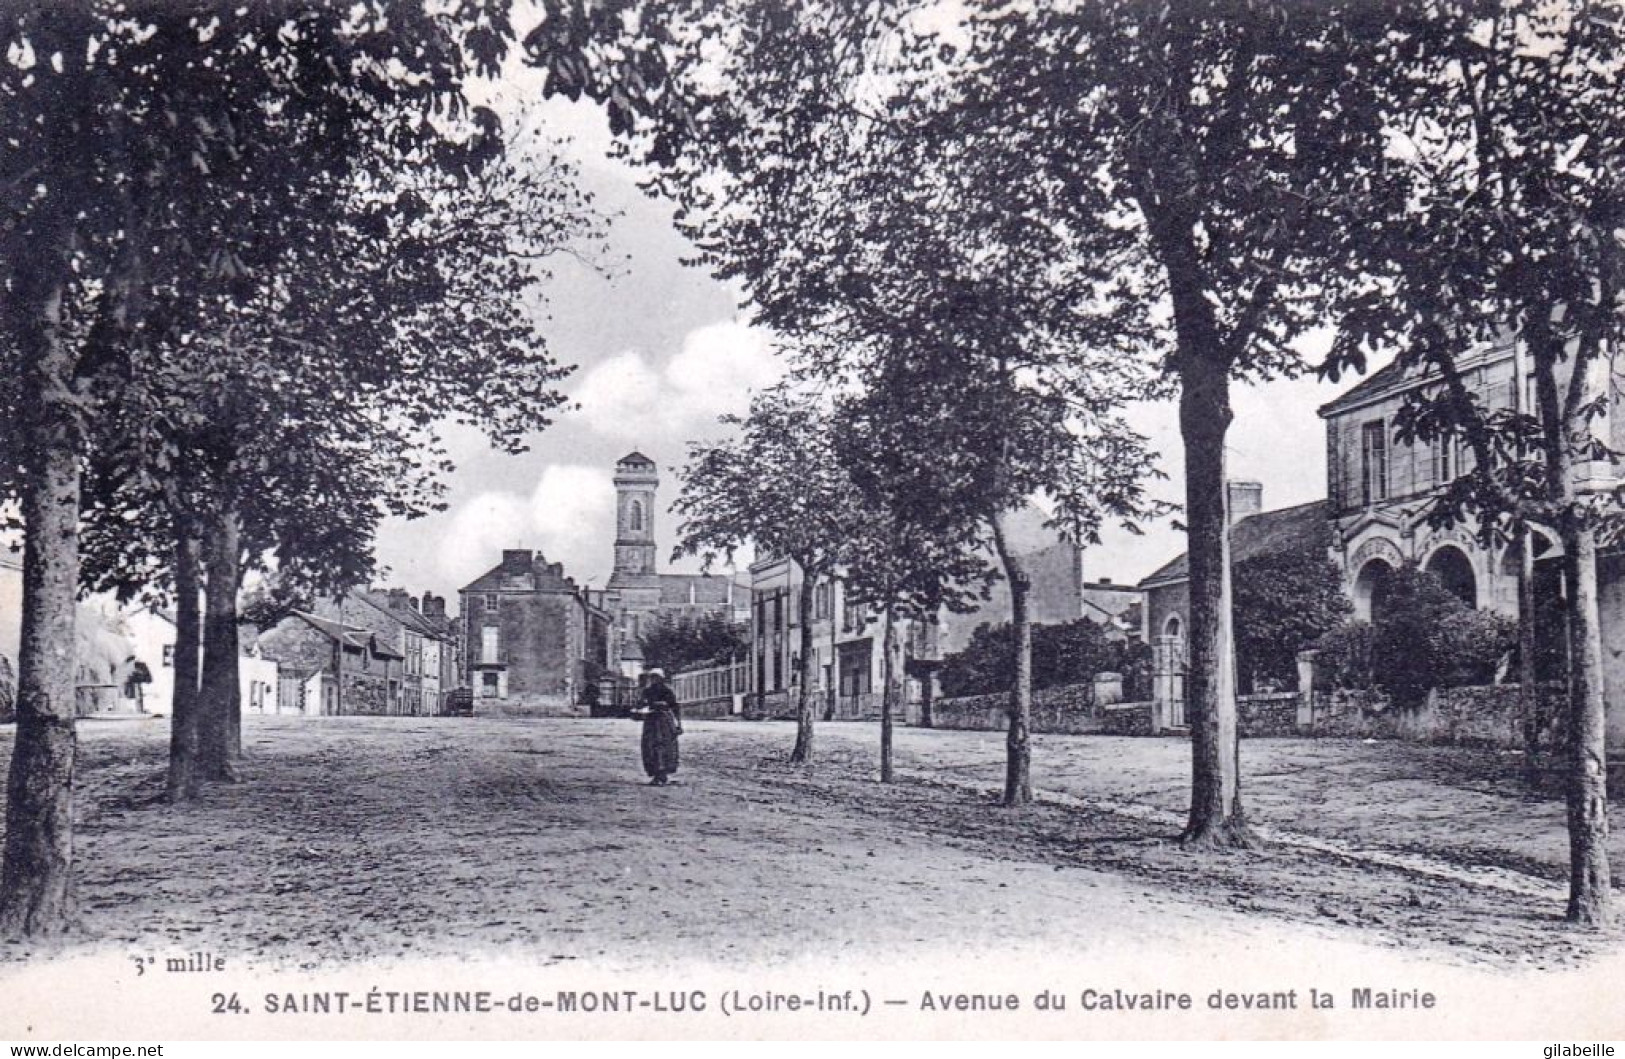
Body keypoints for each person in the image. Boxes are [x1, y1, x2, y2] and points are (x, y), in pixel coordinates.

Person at [635, 668, 682, 786]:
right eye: (652, 677)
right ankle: (656, 774)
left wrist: (679, 724)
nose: (654, 680)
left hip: (665, 720)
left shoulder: (667, 690)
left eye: (656, 677)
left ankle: (663, 773)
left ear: (661, 678)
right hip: (651, 720)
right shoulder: (647, 691)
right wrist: (642, 703)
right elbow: (640, 704)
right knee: (650, 746)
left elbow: (675, 707)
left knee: (665, 746)